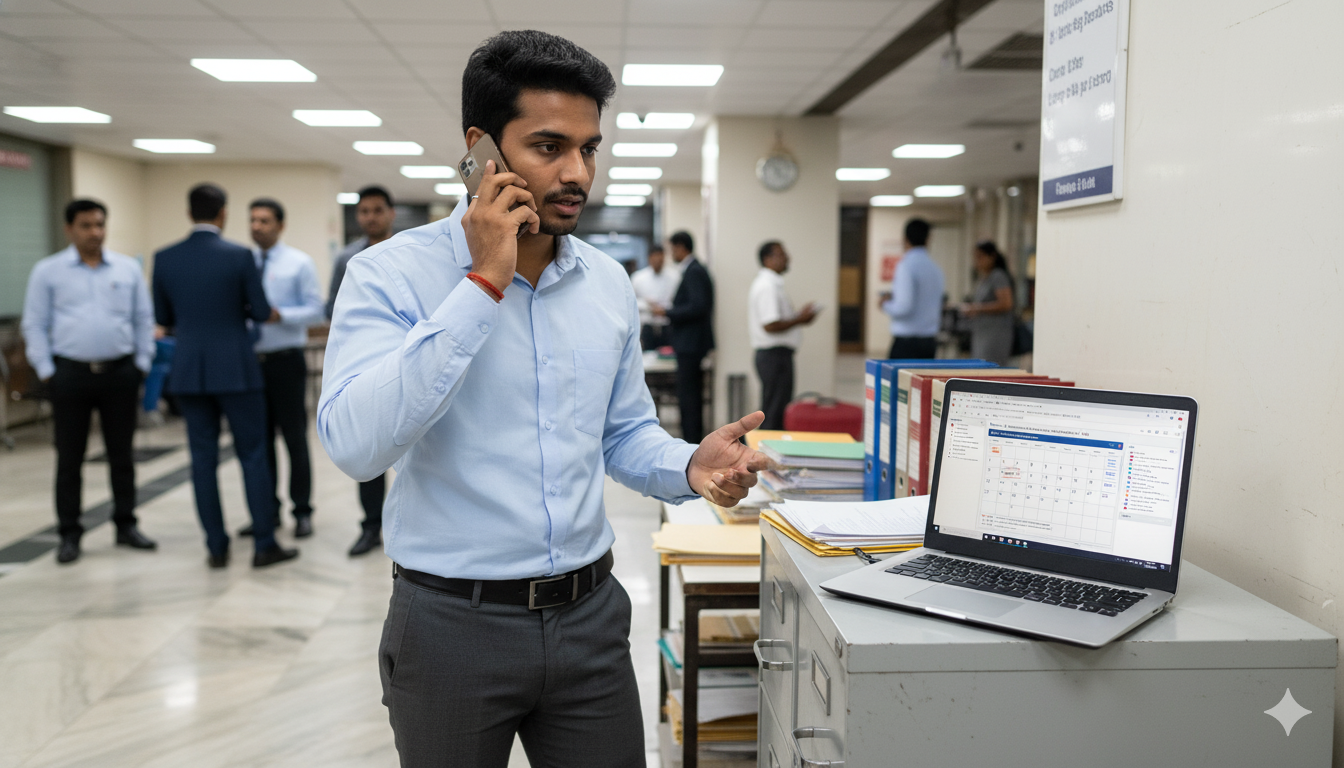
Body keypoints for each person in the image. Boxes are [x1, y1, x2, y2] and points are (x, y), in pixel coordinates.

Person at [317, 30, 767, 768]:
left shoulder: (606, 284)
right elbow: (356, 446)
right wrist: (482, 285)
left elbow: (623, 435)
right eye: (549, 146)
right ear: (480, 150)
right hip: (451, 628)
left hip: (590, 622)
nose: (576, 173)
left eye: (588, 149)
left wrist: (690, 465)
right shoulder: (388, 276)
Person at [152, 183, 299, 569]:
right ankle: (264, 543)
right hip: (236, 368)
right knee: (253, 455)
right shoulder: (239, 256)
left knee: (202, 461)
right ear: (223, 214)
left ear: (190, 213)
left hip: (188, 371)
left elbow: (164, 319)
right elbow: (260, 310)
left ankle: (216, 547)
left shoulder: (165, 258)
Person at [21, 199, 157, 564]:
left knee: (121, 456)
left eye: (99, 224)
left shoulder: (127, 269)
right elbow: (33, 324)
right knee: (70, 458)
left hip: (120, 373)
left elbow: (144, 319)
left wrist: (142, 363)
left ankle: (126, 524)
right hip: (70, 375)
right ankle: (69, 533)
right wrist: (47, 370)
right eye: (86, 225)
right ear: (70, 229)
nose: (95, 232)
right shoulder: (48, 272)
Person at [242, 198, 324, 539]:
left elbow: (316, 311)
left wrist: (281, 315)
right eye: (253, 220)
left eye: (264, 220)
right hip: (250, 364)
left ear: (280, 224)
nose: (257, 226)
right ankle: (267, 512)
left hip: (285, 361)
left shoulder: (298, 263)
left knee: (294, 440)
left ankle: (301, 511)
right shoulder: (242, 263)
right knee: (260, 443)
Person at [325, 185, 397, 557]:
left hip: (403, 365)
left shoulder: (407, 253)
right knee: (369, 450)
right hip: (365, 370)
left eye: (377, 210)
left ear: (390, 214)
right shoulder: (347, 259)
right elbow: (332, 310)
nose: (370, 217)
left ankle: (405, 523)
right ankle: (370, 527)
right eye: (364, 211)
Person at [748, 241, 818, 430]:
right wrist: (800, 320)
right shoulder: (767, 286)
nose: (787, 258)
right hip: (774, 357)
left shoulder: (773, 285)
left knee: (775, 409)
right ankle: (765, 457)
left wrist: (797, 317)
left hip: (776, 356)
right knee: (773, 413)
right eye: (781, 254)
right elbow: (770, 325)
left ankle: (765, 455)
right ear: (767, 259)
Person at [663, 230, 714, 442]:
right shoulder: (694, 270)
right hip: (691, 343)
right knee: (689, 395)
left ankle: (691, 441)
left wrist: (667, 312)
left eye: (673, 249)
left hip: (691, 344)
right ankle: (690, 438)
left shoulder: (694, 271)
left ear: (682, 247)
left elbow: (697, 306)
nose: (672, 254)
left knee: (689, 397)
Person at [881, 218, 945, 359]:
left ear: (905, 239)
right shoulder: (935, 269)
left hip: (907, 344)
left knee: (899, 381)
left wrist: (885, 304)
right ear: (928, 239)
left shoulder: (906, 266)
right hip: (929, 342)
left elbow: (904, 307)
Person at [962, 240, 1017, 365]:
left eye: (980, 257)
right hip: (982, 332)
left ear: (991, 257)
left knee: (990, 367)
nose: (977, 261)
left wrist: (978, 309)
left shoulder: (998, 276)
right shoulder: (984, 277)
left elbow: (1006, 303)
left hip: (995, 334)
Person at [629, 244, 679, 350]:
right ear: (649, 258)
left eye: (660, 258)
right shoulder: (638, 278)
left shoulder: (675, 277)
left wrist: (663, 309)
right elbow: (631, 303)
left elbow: (678, 301)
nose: (657, 261)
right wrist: (647, 305)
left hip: (667, 326)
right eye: (654, 258)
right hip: (648, 326)